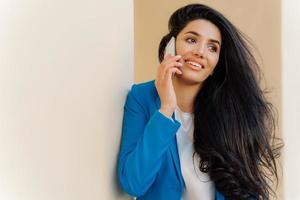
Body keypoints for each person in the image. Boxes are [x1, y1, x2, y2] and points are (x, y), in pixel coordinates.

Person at [117, 3, 283, 200]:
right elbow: (133, 183)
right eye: (191, 40)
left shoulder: (233, 112)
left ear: (216, 65)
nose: (200, 52)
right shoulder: (142, 98)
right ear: (171, 46)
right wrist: (166, 109)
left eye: (212, 47)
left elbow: (245, 191)